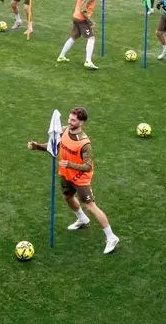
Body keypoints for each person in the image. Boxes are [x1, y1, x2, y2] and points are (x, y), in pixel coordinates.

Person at [27, 107, 120, 254]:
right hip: (66, 174)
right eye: (69, 118)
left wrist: (70, 164)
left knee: (90, 206)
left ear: (81, 122)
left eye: (73, 120)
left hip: (80, 178)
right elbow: (53, 146)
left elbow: (88, 167)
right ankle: (82, 219)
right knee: (68, 197)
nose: (70, 122)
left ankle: (111, 237)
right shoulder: (64, 130)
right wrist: (37, 146)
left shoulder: (85, 144)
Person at [57, 0, 99, 69]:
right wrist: (90, 21)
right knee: (91, 38)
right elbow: (83, 9)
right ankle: (88, 61)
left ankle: (61, 56)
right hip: (82, 19)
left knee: (74, 36)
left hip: (75, 17)